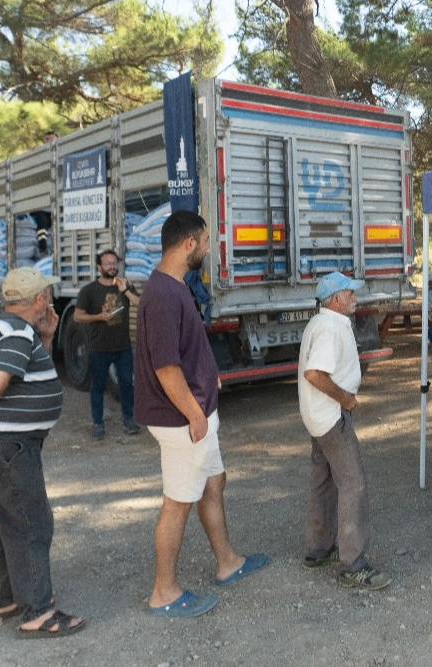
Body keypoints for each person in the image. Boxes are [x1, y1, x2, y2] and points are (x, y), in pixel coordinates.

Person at [136, 210, 268, 618]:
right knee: (178, 502)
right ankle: (164, 592)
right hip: (182, 420)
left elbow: (186, 354)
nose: (209, 249)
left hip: (195, 412)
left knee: (214, 481)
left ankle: (228, 562)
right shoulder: (163, 294)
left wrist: (210, 381)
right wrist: (195, 414)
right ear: (189, 243)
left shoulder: (175, 286)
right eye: (207, 241)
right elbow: (166, 368)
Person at [0, 267, 86, 637]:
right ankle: (37, 612)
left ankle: (6, 598)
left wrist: (48, 336)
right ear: (39, 299)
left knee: (8, 521)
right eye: (47, 296)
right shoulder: (17, 333)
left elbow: (27, 372)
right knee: (32, 524)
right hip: (7, 445)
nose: (50, 301)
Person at [298, 271, 392, 590]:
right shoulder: (330, 328)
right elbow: (314, 373)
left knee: (322, 480)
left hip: (317, 416)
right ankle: (353, 564)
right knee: (353, 484)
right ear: (336, 299)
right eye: (351, 294)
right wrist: (345, 398)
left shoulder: (322, 322)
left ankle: (318, 549)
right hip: (331, 417)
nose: (355, 298)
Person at [73, 250, 141, 439]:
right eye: (108, 263)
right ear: (99, 267)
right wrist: (98, 317)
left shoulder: (125, 285)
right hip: (99, 348)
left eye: (114, 263)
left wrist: (125, 291)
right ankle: (98, 423)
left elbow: (140, 304)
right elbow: (77, 316)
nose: (112, 266)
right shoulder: (89, 290)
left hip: (123, 347)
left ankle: (128, 419)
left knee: (127, 384)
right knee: (98, 386)